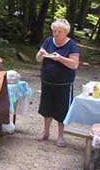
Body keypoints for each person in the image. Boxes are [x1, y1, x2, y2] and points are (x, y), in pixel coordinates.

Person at [36, 18, 80, 147]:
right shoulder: (48, 41)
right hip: (47, 80)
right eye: (54, 31)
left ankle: (60, 136)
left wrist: (60, 58)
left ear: (66, 32)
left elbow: (74, 65)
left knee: (62, 109)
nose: (55, 34)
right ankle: (46, 132)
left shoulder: (72, 45)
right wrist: (41, 54)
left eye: (59, 31)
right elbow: (38, 59)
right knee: (46, 107)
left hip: (64, 83)